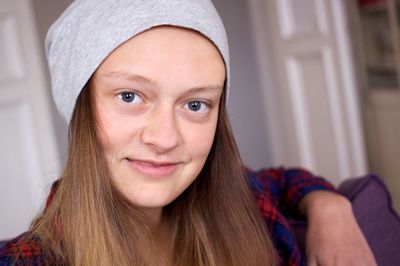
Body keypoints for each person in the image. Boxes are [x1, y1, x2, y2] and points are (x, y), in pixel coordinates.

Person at [0, 0, 376, 265]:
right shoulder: (27, 261)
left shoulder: (248, 206)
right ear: (81, 107)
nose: (165, 139)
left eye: (195, 104)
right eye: (130, 96)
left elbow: (283, 181)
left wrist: (330, 207)